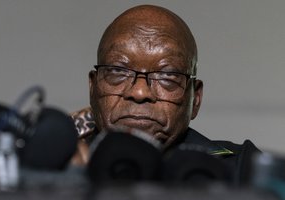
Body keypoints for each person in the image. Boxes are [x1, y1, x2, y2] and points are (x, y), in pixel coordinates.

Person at [71, 4, 259, 184]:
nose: (139, 92)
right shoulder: (58, 163)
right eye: (118, 71)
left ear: (195, 99)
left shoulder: (242, 171)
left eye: (167, 75)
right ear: (93, 87)